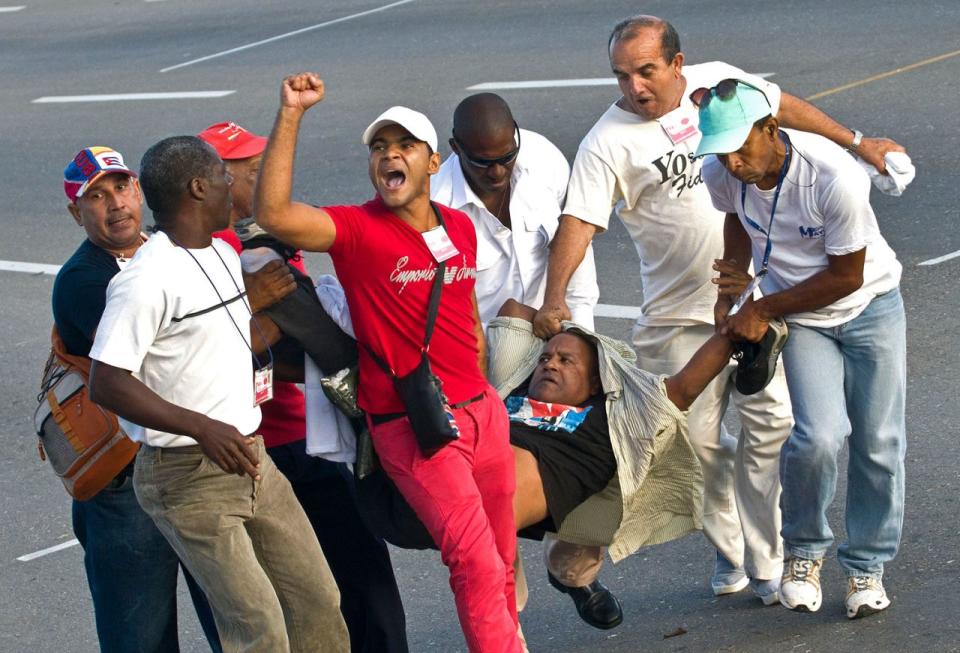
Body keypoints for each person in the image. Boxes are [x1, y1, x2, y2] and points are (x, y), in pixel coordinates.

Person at [531, 14, 904, 604]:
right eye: (621, 76)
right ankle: (740, 556)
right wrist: (553, 298)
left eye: (646, 71)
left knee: (776, 429)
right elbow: (579, 221)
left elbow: (786, 108)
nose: (634, 88)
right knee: (701, 449)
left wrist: (858, 143)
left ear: (678, 65)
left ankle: (776, 560)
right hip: (676, 319)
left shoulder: (724, 87)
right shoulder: (606, 142)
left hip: (758, 303)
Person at [255, 72, 522, 653]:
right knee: (473, 562)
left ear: (432, 163)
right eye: (379, 147)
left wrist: (487, 396)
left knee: (502, 561)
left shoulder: (459, 228)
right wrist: (292, 114)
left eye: (404, 146)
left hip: (481, 414)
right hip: (416, 427)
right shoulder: (355, 229)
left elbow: (468, 317)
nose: (390, 155)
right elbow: (273, 213)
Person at [87, 135, 349, 653]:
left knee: (318, 603)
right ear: (198, 187)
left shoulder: (223, 255)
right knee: (259, 630)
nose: (235, 185)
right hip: (187, 475)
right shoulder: (145, 279)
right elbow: (106, 381)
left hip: (253, 461)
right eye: (226, 177)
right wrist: (201, 426)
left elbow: (223, 344)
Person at [695, 79, 906, 619]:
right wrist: (734, 285)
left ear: (772, 128)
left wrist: (760, 309)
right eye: (723, 153)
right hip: (803, 317)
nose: (734, 163)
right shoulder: (723, 172)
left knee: (878, 444)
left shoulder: (833, 176)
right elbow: (735, 219)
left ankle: (865, 566)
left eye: (743, 148)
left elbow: (845, 277)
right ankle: (805, 554)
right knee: (816, 438)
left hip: (869, 306)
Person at [198, 120, 409, 653]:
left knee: (347, 583)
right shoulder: (212, 254)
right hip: (259, 448)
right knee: (325, 592)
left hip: (304, 436)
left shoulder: (263, 237)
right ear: (216, 181)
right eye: (252, 170)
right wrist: (267, 308)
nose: (267, 177)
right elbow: (202, 356)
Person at [52, 146, 222, 653]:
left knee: (235, 615)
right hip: (125, 483)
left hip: (193, 463)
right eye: (97, 197)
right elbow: (162, 348)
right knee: (139, 639)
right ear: (76, 212)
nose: (116, 204)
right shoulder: (83, 280)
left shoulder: (166, 249)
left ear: (139, 189)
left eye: (122, 187)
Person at [431, 93, 598, 327]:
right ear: (456, 148)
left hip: (550, 332)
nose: (498, 172)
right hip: (482, 348)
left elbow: (573, 236)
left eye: (507, 157)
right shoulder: (434, 208)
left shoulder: (544, 159)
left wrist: (580, 331)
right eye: (483, 163)